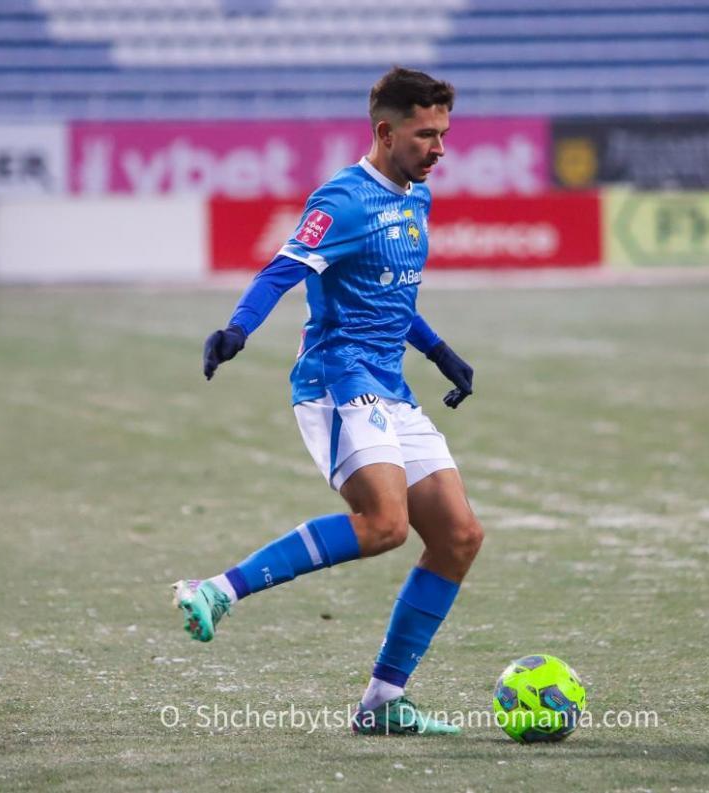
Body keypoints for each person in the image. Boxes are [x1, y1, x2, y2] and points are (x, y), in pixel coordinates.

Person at [173, 67, 482, 736]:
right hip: (337, 381)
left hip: (390, 385)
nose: (439, 148)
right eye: (425, 135)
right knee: (384, 524)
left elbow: (388, 293)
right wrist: (237, 330)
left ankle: (383, 702)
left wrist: (439, 352)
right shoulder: (342, 200)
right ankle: (218, 590)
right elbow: (281, 270)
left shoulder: (416, 196)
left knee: (459, 536)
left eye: (443, 134)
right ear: (385, 132)